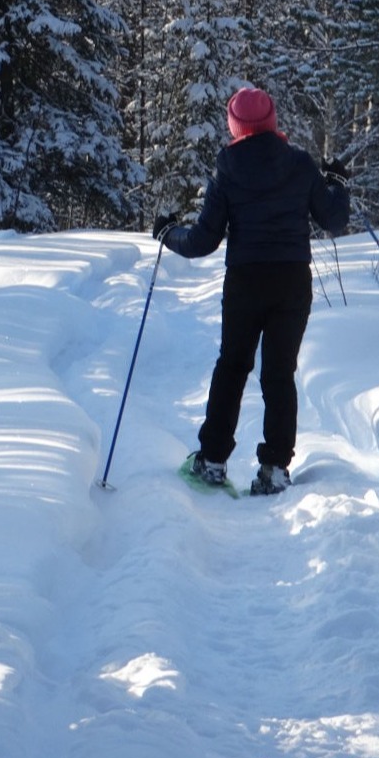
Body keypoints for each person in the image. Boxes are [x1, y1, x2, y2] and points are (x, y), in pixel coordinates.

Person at [153, 87, 349, 495]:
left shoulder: (228, 168)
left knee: (233, 367)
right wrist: (337, 182)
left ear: (235, 125)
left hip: (245, 281)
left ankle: (212, 461)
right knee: (279, 373)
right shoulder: (299, 164)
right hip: (292, 281)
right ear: (272, 121)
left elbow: (203, 241)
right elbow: (333, 219)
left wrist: (169, 234)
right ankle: (275, 467)